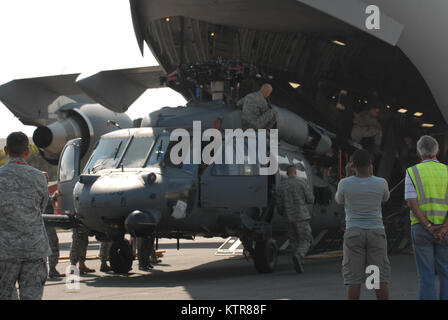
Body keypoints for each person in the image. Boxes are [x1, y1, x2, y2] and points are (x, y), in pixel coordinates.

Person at [0, 132, 51, 299]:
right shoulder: (39, 177)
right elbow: (41, 207)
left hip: (4, 251)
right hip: (34, 249)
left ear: (6, 150)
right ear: (27, 151)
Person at [335, 149, 390, 300]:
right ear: (370, 165)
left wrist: (347, 176)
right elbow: (385, 198)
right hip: (376, 232)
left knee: (353, 279)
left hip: (354, 232)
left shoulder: (345, 183)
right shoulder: (381, 182)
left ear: (352, 165)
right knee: (378, 278)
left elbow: (340, 200)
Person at [405, 135, 448, 300]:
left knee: (426, 274)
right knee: (445, 271)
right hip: (445, 231)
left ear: (418, 152)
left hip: (422, 229)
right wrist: (444, 227)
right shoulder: (447, 171)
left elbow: (411, 203)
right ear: (437, 150)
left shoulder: (412, 172)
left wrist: (428, 226)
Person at [275, 165, 314, 273]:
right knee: (306, 239)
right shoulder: (301, 183)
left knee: (293, 240)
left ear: (287, 174)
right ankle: (299, 255)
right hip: (301, 216)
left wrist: (282, 212)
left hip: (288, 217)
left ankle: (299, 263)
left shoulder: (281, 186)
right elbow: (310, 199)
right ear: (295, 173)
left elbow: (279, 205)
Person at [42, 172, 64, 278]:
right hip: (47, 223)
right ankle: (52, 269)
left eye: (47, 177)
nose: (47, 179)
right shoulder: (41, 190)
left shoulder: (39, 189)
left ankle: (48, 270)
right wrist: (55, 196)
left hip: (43, 223)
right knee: (53, 245)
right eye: (45, 177)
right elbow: (47, 203)